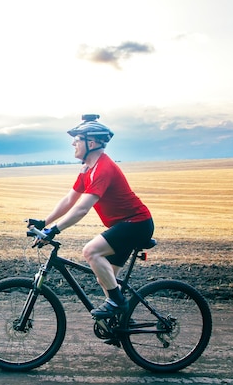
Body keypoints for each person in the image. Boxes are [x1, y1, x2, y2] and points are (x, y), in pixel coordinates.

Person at [28, 114, 154, 319]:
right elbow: (70, 200)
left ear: (91, 143)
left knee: (91, 251)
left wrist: (54, 230)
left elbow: (81, 209)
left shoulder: (103, 169)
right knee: (104, 278)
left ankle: (117, 303)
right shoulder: (88, 169)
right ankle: (119, 324)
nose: (73, 143)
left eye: (77, 140)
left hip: (136, 224)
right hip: (125, 225)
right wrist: (44, 222)